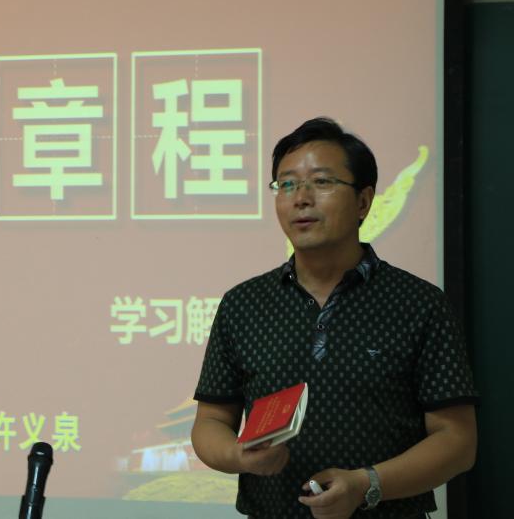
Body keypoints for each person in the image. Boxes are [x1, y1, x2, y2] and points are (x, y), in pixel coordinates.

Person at [190, 118, 477, 518]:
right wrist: (237, 455)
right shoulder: (243, 304)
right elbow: (210, 422)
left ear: (363, 201)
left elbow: (457, 441)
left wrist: (366, 484)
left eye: (321, 182)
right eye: (286, 184)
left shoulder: (419, 303)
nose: (300, 198)